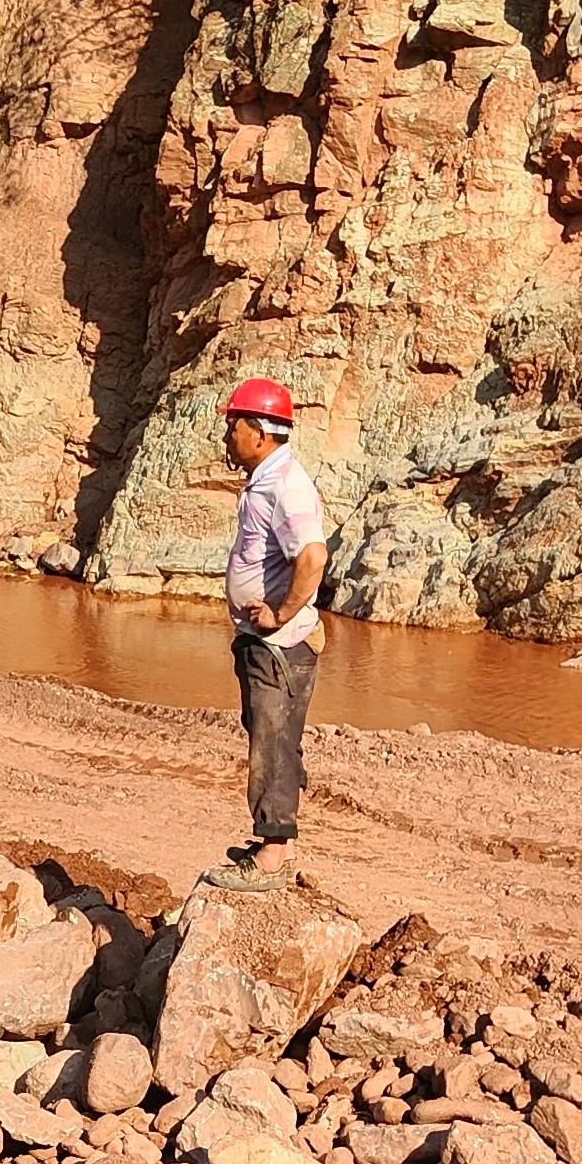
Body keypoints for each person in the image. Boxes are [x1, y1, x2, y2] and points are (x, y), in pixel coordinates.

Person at [213, 376, 325, 889]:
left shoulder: (286, 485)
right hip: (266, 644)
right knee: (271, 734)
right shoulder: (266, 479)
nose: (227, 435)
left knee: (272, 740)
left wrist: (280, 614)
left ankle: (272, 857)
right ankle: (273, 841)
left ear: (258, 431)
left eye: (233, 425)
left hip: (279, 645)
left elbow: (312, 556)